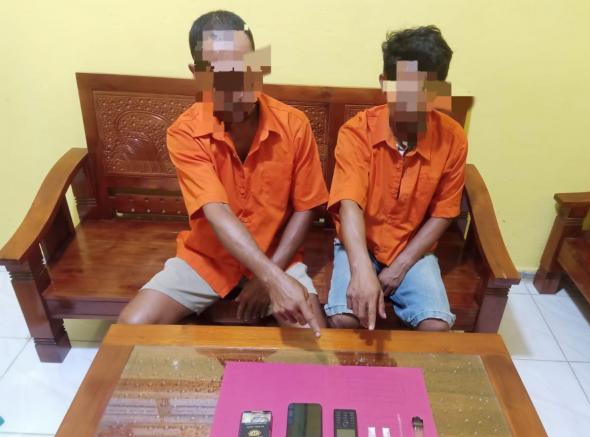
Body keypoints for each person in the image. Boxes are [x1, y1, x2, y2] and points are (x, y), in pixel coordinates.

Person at [118, 10, 329, 336]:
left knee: (314, 336)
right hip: (208, 259)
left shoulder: (293, 124)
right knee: (132, 328)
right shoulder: (185, 132)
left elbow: (306, 207)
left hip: (278, 255)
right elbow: (216, 211)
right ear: (198, 74)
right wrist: (271, 279)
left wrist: (271, 274)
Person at [325, 25, 467, 332]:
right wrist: (362, 269)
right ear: (384, 83)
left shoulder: (453, 138)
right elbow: (349, 203)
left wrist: (401, 266)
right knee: (344, 319)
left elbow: (444, 212)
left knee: (436, 325)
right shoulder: (357, 131)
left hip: (412, 247)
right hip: (359, 243)